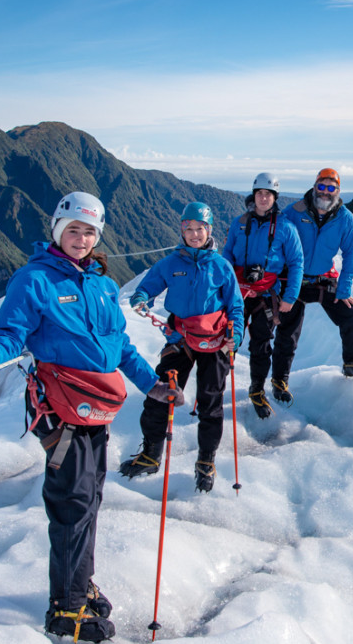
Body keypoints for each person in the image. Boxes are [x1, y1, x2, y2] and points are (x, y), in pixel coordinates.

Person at [0, 191, 184, 642]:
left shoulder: (102, 286)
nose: (81, 238)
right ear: (57, 231)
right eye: (73, 229)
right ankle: (65, 610)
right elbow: (12, 330)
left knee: (89, 502)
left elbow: (120, 347)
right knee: (72, 506)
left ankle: (79, 584)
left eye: (89, 231)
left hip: (94, 409)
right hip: (62, 411)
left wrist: (153, 385)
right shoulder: (35, 280)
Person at [119, 202, 244, 492]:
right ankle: (151, 454)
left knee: (210, 403)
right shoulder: (171, 264)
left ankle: (205, 460)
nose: (194, 234)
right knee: (159, 394)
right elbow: (148, 286)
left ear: (209, 230)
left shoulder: (221, 266)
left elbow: (236, 306)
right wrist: (141, 298)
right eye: (188, 228)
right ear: (182, 230)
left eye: (200, 228)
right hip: (181, 337)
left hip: (216, 341)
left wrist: (235, 336)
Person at [270, 168, 353, 404]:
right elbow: (275, 243)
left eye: (330, 187)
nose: (325, 192)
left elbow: (351, 252)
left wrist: (344, 287)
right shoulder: (294, 212)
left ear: (338, 191)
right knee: (288, 332)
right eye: (321, 186)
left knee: (350, 313)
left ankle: (351, 362)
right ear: (314, 187)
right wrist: (273, 280)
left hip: (322, 280)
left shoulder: (344, 218)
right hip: (291, 278)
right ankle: (279, 381)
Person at [222, 172, 304, 419]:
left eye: (268, 194)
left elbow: (297, 262)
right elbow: (227, 254)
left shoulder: (286, 228)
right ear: (253, 195)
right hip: (237, 291)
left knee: (261, 344)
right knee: (226, 339)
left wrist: (290, 297)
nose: (263, 198)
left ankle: (257, 389)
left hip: (265, 295)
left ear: (274, 197)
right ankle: (215, 384)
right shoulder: (239, 223)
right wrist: (223, 285)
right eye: (260, 193)